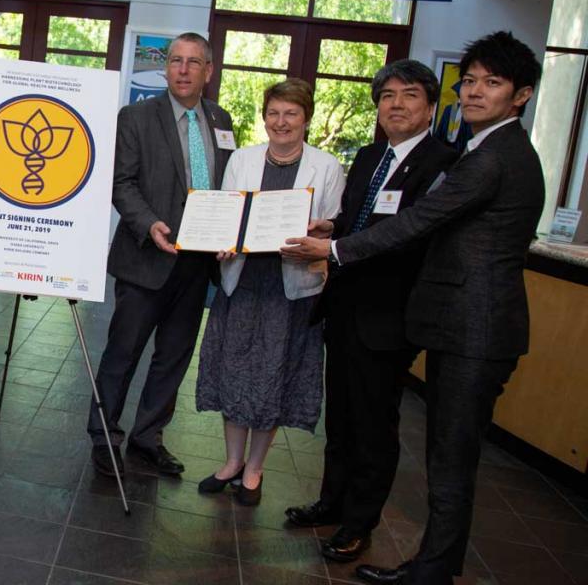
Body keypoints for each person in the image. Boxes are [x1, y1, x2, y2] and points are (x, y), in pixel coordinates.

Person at [282, 31, 546, 585]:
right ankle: (358, 519)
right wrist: (336, 229)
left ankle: (425, 567)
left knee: (440, 458)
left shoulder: (481, 159)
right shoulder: (465, 149)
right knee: (353, 423)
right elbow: (369, 216)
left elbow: (415, 226)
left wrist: (333, 248)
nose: (474, 92)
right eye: (469, 81)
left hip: (455, 323)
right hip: (381, 311)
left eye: (491, 83)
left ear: (520, 95)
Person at [284, 61, 457, 561]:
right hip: (343, 307)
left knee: (373, 425)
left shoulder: (443, 163)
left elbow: (409, 236)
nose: (396, 105)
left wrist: (336, 249)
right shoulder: (369, 156)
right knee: (340, 417)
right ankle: (331, 502)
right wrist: (328, 231)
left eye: (408, 95)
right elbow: (356, 219)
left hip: (388, 318)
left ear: (430, 105)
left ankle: (359, 523)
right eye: (387, 96)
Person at [89, 33, 236, 478]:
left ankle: (148, 437)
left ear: (209, 71)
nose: (184, 69)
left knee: (174, 356)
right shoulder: (135, 117)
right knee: (123, 352)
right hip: (145, 259)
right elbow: (121, 183)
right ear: (165, 68)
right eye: (176, 61)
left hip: (197, 263)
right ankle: (104, 435)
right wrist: (149, 223)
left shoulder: (221, 118)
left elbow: (228, 186)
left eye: (194, 62)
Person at [193, 78, 345, 506]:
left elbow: (333, 224)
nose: (281, 122)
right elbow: (225, 213)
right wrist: (219, 238)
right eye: (274, 113)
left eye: (291, 113)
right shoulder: (241, 160)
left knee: (273, 376)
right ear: (264, 118)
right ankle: (231, 462)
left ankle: (255, 469)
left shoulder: (327, 167)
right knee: (233, 370)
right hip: (241, 281)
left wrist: (325, 231)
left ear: (306, 119)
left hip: (290, 287)